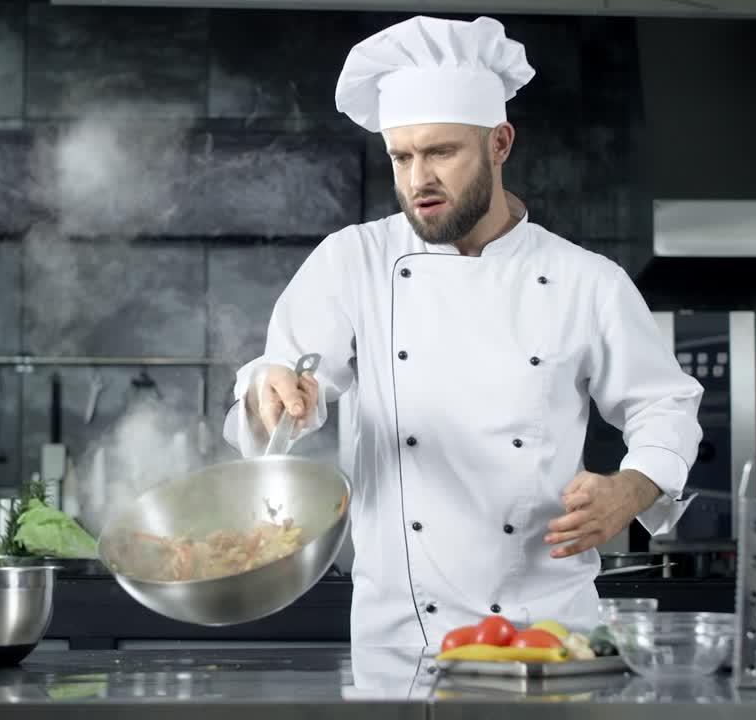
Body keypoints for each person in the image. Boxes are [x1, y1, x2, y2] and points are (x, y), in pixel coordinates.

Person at [224, 15, 703, 649]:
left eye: (441, 152)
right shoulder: (353, 262)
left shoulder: (586, 280)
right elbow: (275, 395)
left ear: (500, 143)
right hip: (400, 638)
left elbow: (663, 404)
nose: (417, 180)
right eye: (402, 156)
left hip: (546, 632)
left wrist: (631, 488)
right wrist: (269, 391)